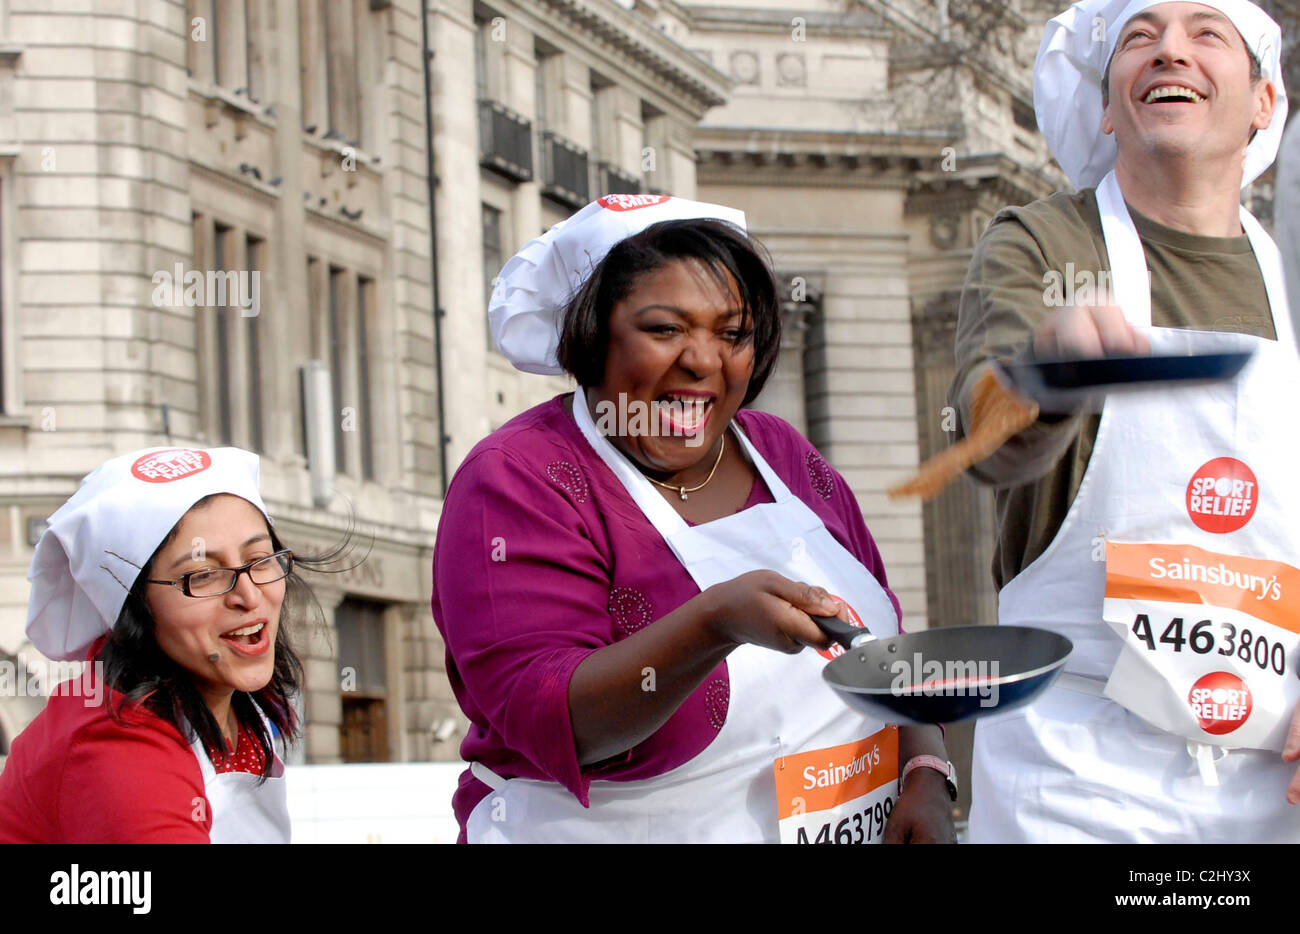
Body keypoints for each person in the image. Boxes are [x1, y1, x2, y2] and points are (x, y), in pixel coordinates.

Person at [432, 194, 957, 843]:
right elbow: (554, 720)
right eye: (665, 329)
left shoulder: (781, 452)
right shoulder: (519, 478)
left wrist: (926, 773)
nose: (704, 360)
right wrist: (714, 623)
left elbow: (883, 647)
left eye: (732, 333)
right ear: (592, 336)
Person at [951, 0, 1300, 842]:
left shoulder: (1289, 275)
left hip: (1272, 778)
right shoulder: (1042, 246)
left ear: (1263, 101)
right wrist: (1046, 378)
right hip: (1076, 773)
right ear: (1108, 106)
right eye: (1139, 38)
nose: (1169, 51)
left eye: (1205, 34)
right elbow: (984, 431)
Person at [0, 446, 311, 843]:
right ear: (134, 607)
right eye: (203, 576)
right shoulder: (115, 744)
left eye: (261, 559)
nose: (249, 596)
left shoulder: (230, 710)